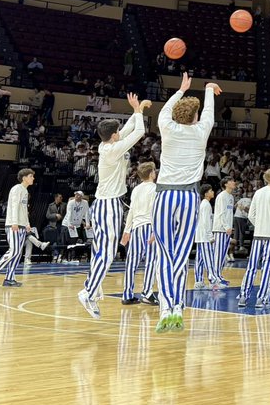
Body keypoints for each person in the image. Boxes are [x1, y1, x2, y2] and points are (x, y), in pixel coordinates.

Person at [152, 73, 220, 333]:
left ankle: (167, 307)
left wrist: (180, 90)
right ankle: (177, 306)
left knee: (164, 256)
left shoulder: (166, 127)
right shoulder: (202, 131)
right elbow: (209, 113)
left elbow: (165, 109)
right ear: (195, 117)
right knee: (180, 257)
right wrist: (209, 89)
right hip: (189, 197)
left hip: (165, 196)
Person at [77, 94, 149, 319]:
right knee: (107, 254)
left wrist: (139, 110)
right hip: (107, 205)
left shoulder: (111, 143)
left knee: (100, 251)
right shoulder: (111, 150)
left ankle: (92, 285)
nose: (120, 132)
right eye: (118, 131)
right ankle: (88, 292)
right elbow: (138, 132)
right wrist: (137, 112)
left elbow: (128, 129)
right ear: (113, 135)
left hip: (106, 204)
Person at [239, 168, 270, 308]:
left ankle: (243, 297)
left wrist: (259, 224)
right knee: (267, 268)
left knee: (251, 267)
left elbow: (251, 215)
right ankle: (262, 299)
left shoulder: (258, 192)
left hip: (258, 235)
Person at [120, 161, 160, 305]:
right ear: (151, 174)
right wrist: (156, 230)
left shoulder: (136, 189)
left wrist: (127, 230)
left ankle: (127, 294)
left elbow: (131, 211)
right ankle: (147, 293)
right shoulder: (156, 189)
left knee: (131, 262)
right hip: (149, 226)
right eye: (154, 171)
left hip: (136, 227)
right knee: (151, 261)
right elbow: (156, 212)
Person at [0, 169, 34, 287]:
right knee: (13, 250)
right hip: (14, 224)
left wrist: (27, 223)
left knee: (18, 253)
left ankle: (9, 278)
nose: (33, 178)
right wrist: (14, 222)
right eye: (30, 176)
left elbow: (24, 210)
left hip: (22, 225)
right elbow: (14, 206)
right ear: (24, 178)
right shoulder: (16, 189)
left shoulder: (25, 191)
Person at [210, 178, 236, 288]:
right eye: (231, 181)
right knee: (218, 255)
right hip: (220, 229)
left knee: (223, 254)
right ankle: (214, 278)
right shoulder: (222, 196)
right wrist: (226, 227)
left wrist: (229, 227)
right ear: (225, 184)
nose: (234, 182)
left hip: (227, 230)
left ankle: (219, 276)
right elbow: (220, 213)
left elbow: (228, 214)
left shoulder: (231, 197)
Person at [191, 185, 217, 291]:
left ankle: (198, 281)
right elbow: (206, 222)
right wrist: (210, 236)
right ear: (206, 193)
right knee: (208, 259)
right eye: (211, 191)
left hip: (200, 236)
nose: (213, 192)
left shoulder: (203, 204)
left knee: (200, 260)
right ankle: (213, 281)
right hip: (205, 237)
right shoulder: (206, 205)